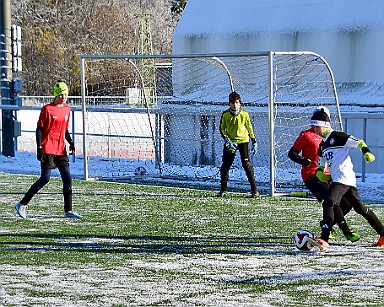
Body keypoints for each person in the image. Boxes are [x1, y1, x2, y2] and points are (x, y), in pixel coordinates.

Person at [308, 107, 384, 251]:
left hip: (344, 178)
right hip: (343, 180)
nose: (314, 130)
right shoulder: (322, 145)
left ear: (324, 124)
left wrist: (367, 153)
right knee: (361, 209)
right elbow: (321, 163)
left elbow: (359, 142)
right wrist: (320, 173)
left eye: (316, 126)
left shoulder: (338, 136)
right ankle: (383, 233)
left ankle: (324, 238)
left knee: (329, 201)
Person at [288, 106, 360, 242]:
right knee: (331, 199)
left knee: (347, 203)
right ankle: (346, 231)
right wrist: (303, 160)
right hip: (311, 175)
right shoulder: (306, 135)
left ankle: (327, 224)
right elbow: (291, 153)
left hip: (329, 175)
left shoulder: (330, 136)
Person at [15, 81, 82, 219]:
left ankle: (68, 211)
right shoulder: (47, 109)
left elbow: (64, 129)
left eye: (66, 94)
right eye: (61, 95)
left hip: (61, 150)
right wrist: (39, 147)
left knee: (68, 179)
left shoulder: (67, 109)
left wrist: (71, 142)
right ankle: (22, 204)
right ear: (56, 95)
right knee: (45, 179)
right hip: (48, 148)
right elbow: (39, 128)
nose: (64, 97)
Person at [217, 91, 259, 198]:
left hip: (243, 141)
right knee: (226, 165)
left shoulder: (244, 114)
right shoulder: (225, 115)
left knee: (247, 164)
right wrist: (227, 140)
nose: (234, 105)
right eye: (232, 103)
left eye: (236, 102)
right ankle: (223, 190)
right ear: (229, 104)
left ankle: (255, 190)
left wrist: (253, 140)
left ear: (239, 103)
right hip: (231, 143)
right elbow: (222, 129)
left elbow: (249, 127)